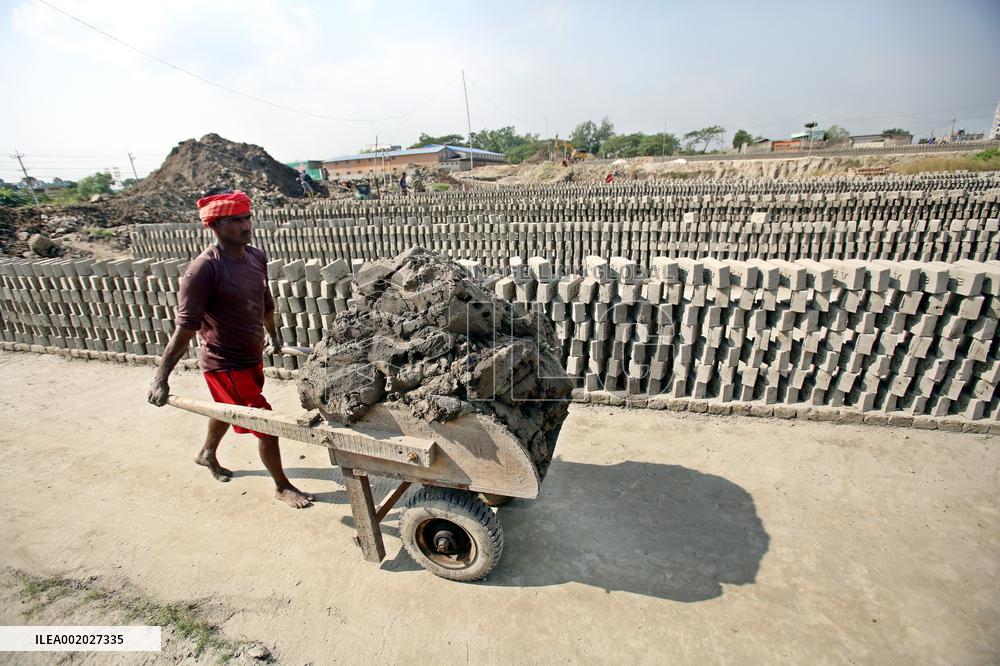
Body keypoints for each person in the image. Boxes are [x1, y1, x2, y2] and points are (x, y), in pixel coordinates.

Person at [147, 190, 314, 509]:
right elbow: (185, 328)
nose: (246, 224)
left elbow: (264, 300)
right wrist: (161, 378)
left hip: (251, 355)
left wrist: (272, 335)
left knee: (227, 408)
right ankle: (282, 487)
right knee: (264, 422)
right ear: (215, 225)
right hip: (224, 363)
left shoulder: (256, 257)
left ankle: (206, 453)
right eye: (236, 220)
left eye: (247, 217)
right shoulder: (202, 271)